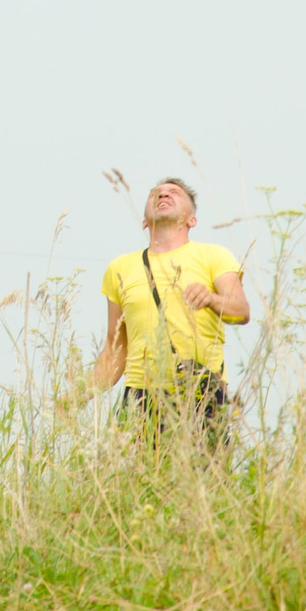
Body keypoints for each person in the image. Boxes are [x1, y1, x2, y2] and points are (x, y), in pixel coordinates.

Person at [91, 177, 249, 440]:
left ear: (192, 220)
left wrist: (211, 298)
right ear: (144, 221)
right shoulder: (119, 268)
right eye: (155, 193)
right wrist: (78, 395)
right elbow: (114, 348)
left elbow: (241, 311)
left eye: (174, 192)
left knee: (204, 468)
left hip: (201, 390)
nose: (163, 195)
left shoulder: (214, 255)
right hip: (141, 395)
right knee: (136, 468)